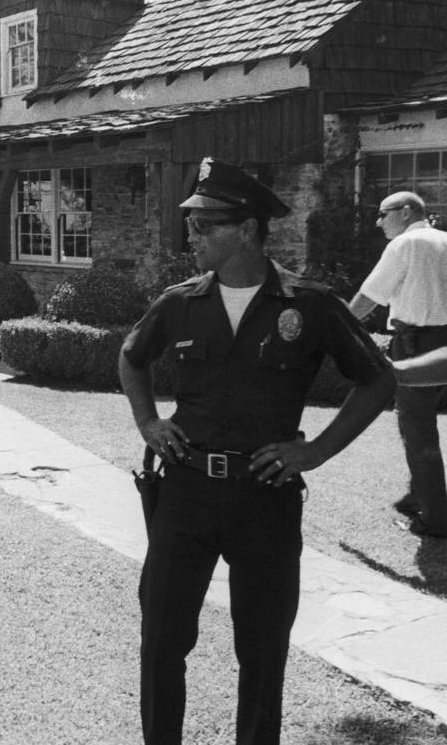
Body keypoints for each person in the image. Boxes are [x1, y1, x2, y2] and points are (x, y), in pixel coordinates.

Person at [118, 157, 395, 745]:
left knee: (263, 649)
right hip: (186, 492)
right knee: (161, 639)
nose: (191, 236)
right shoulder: (179, 302)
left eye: (204, 225)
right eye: (191, 225)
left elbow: (378, 379)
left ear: (246, 229)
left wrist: (316, 451)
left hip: (265, 498)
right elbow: (132, 356)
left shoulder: (311, 304)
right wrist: (148, 422)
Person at [347, 191, 447, 538]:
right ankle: (419, 494)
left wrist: (338, 331)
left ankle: (434, 518)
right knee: (422, 425)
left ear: (406, 212)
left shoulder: (404, 244)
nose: (378, 222)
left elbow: (368, 297)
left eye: (383, 213)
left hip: (416, 343)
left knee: (417, 428)